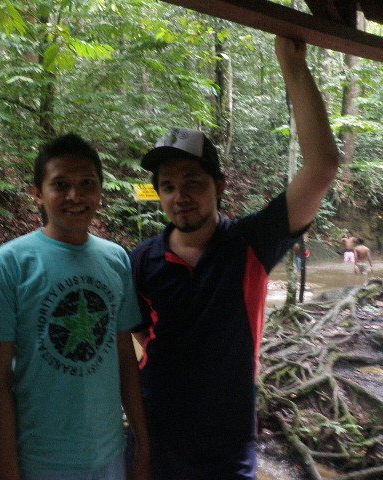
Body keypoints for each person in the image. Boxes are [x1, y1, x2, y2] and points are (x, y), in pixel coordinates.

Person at [129, 36, 339, 480]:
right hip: (156, 436)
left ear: (219, 186)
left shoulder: (250, 244)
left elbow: (321, 166)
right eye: (168, 186)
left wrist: (293, 66)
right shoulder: (141, 260)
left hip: (227, 444)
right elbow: (140, 335)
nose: (180, 196)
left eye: (193, 181)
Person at [0, 134, 150, 480]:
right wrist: (8, 470)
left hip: (110, 454)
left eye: (87, 184)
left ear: (100, 191)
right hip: (41, 459)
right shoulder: (8, 265)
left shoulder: (116, 260)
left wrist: (143, 443)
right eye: (60, 185)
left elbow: (124, 358)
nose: (75, 196)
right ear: (38, 193)